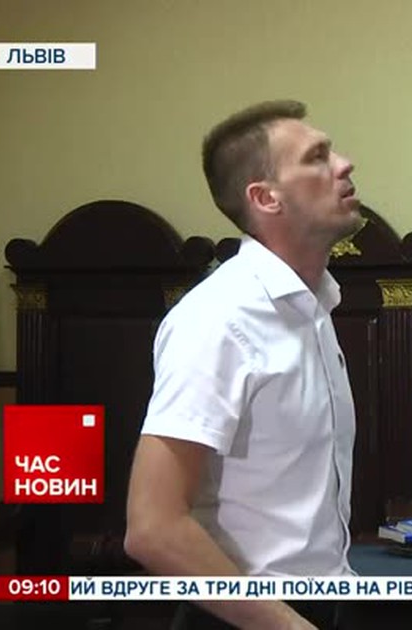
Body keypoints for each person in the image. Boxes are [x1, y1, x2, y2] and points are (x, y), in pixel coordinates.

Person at [124, 99, 362, 629]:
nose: (344, 164)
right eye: (317, 157)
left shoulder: (314, 309)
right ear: (265, 197)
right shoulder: (219, 319)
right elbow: (153, 527)